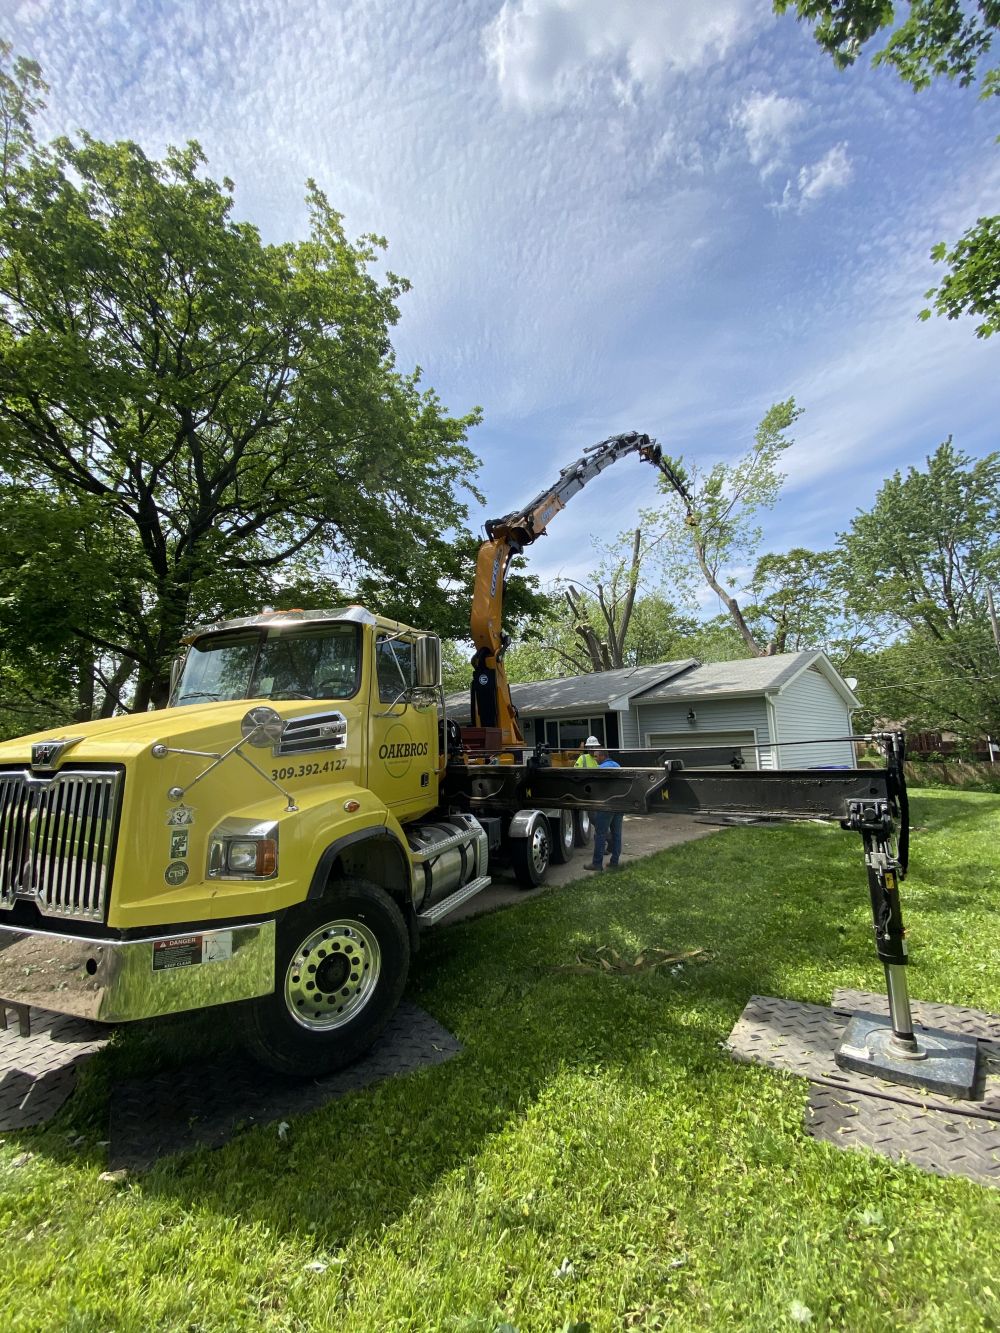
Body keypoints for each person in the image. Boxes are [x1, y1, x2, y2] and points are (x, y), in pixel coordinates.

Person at [583, 744, 624, 872]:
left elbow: (596, 788)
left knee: (600, 833)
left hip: (606, 805)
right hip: (620, 803)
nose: (595, 759)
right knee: (617, 834)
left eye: (596, 757)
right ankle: (614, 862)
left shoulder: (600, 769)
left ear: (602, 756)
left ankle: (597, 864)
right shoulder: (618, 766)